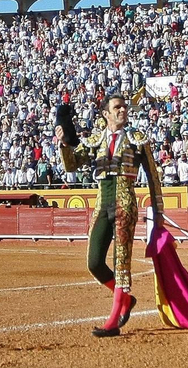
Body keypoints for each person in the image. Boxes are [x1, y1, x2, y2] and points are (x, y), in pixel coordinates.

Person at [57, 94, 165, 338]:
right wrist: (63, 144)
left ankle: (114, 321)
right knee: (94, 262)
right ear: (106, 114)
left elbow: (153, 176)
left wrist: (159, 210)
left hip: (125, 203)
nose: (123, 110)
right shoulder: (96, 140)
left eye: (124, 106)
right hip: (102, 202)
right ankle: (126, 300)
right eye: (117, 107)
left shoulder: (137, 139)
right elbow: (72, 165)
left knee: (121, 262)